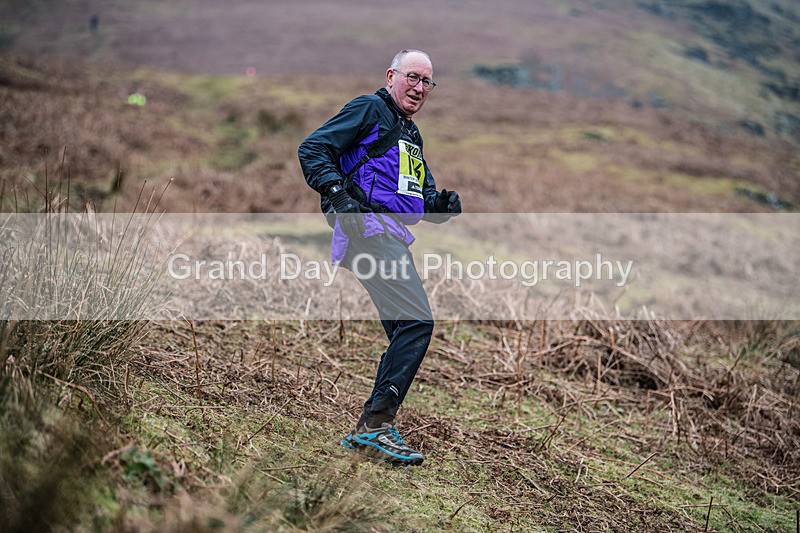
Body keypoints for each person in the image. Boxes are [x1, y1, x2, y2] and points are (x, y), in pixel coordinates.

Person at [298, 49, 461, 466]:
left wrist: (439, 204)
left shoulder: (411, 134)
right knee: (416, 323)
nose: (419, 88)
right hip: (367, 232)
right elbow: (313, 148)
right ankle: (376, 426)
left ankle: (369, 430)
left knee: (406, 328)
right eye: (412, 77)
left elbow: (418, 195)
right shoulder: (369, 108)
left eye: (427, 82)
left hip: (389, 235)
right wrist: (338, 197)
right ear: (391, 76)